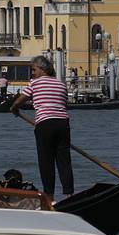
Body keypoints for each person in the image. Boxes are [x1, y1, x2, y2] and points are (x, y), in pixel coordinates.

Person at [9, 55, 74, 199]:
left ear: (42, 69)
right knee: (64, 161)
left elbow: (20, 101)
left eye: (34, 69)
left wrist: (14, 109)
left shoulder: (34, 83)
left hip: (45, 124)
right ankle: (69, 194)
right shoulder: (61, 84)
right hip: (63, 124)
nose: (32, 73)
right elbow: (63, 105)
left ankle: (49, 197)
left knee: (46, 161)